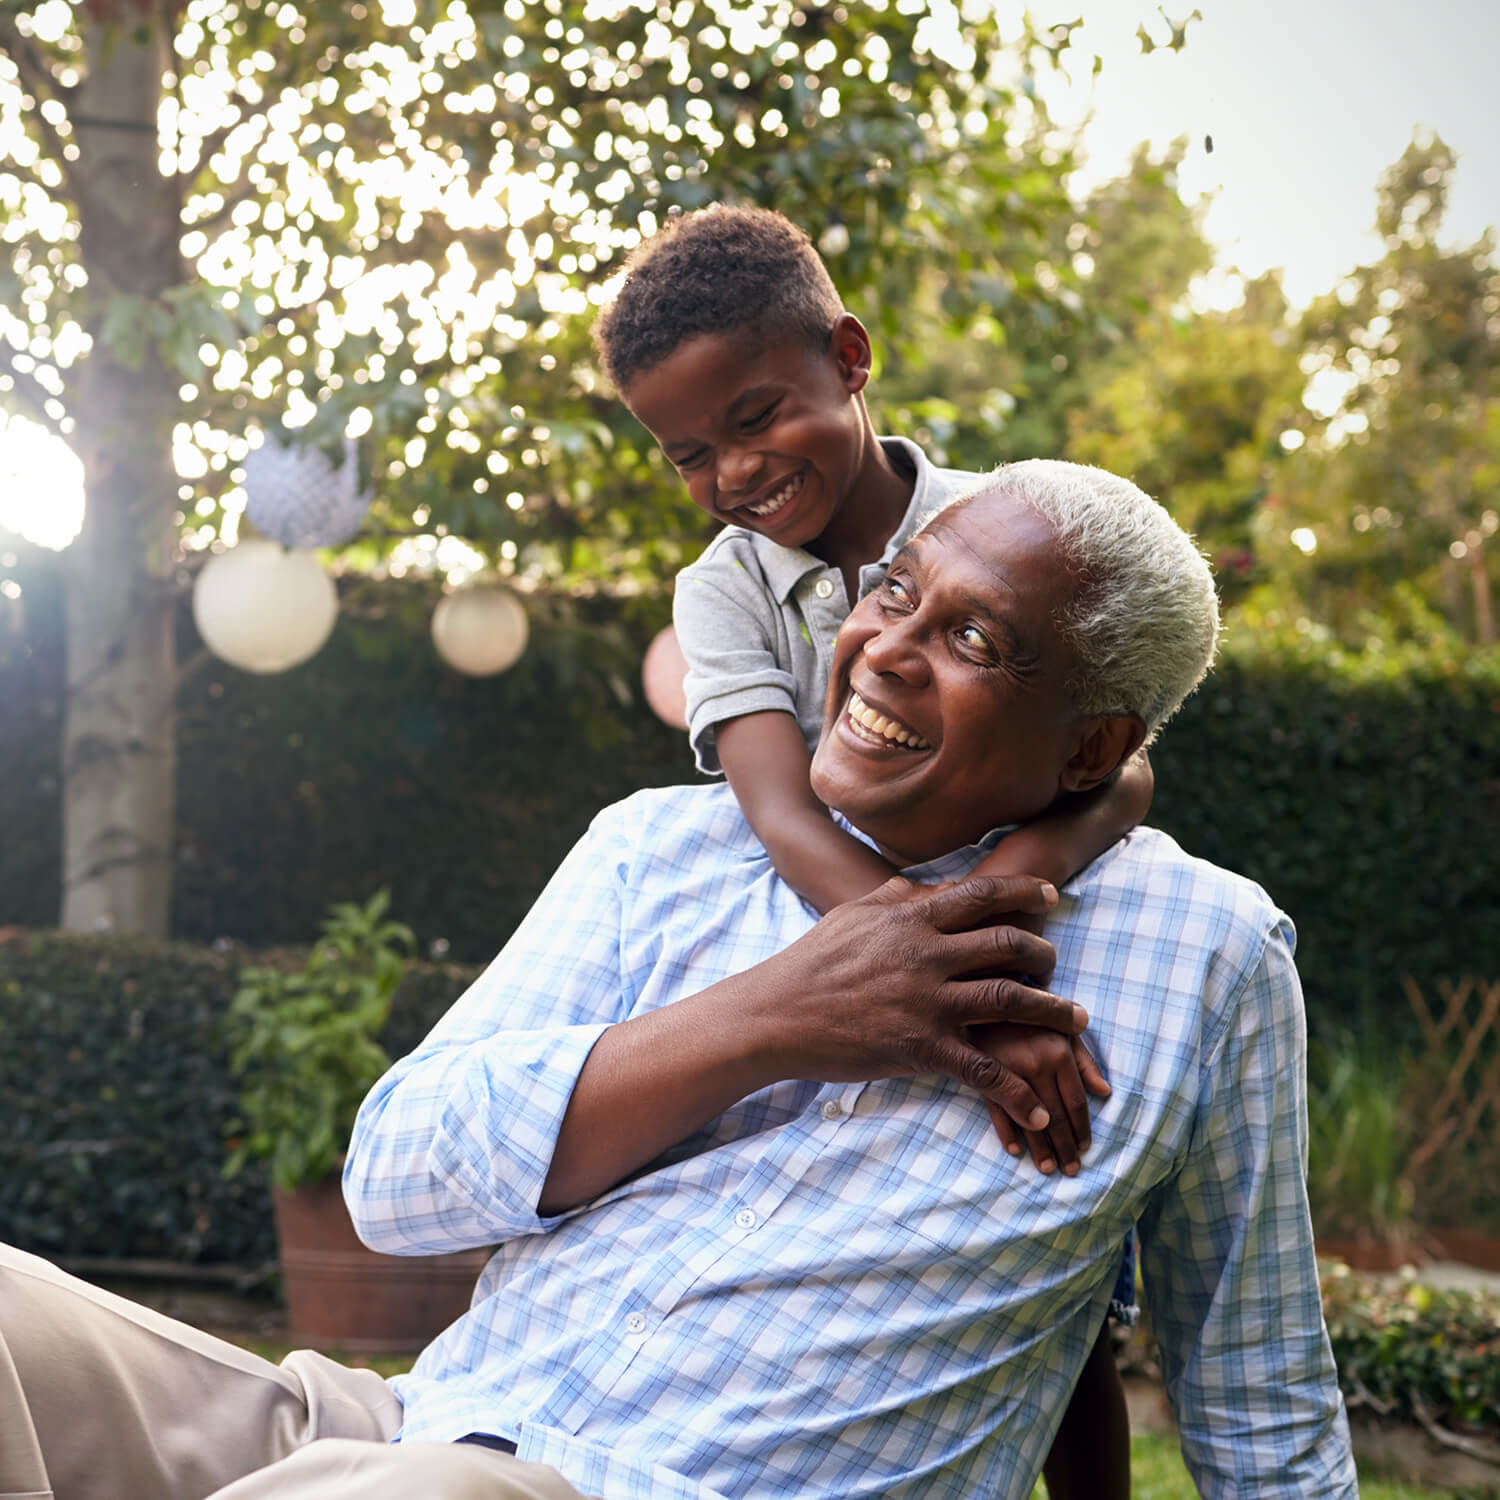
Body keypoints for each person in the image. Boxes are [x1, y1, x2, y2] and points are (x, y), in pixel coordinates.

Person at [0, 461, 1357, 1500]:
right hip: (410, 1424)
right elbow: (393, 1184)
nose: (885, 646)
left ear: (1092, 751)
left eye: (976, 640)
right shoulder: (664, 846)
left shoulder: (1207, 957)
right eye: (897, 589)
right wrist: (774, 1019)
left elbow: (1257, 1396)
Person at [592, 204, 1144, 1494]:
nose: (732, 474)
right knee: (873, 1262)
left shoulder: (1004, 527)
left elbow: (1126, 773)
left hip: (1021, 944)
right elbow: (781, 812)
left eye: (754, 416)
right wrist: (943, 977)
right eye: (686, 452)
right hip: (832, 953)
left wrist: (1000, 935)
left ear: (849, 357)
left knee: (1054, 1299)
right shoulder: (721, 590)